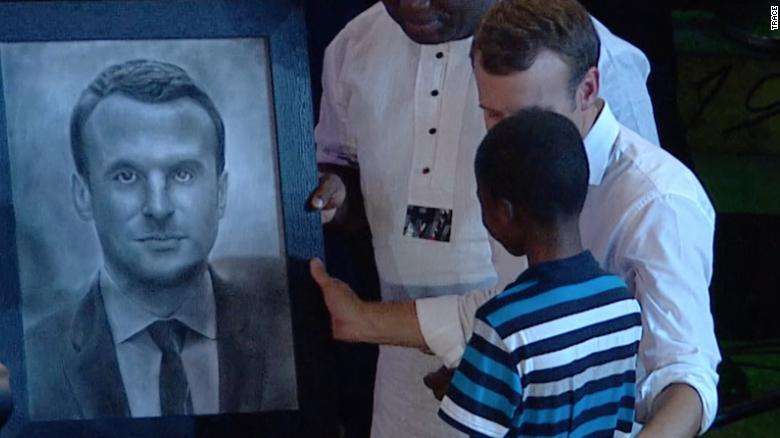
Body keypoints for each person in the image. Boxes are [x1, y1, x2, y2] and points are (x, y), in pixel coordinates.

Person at [310, 1, 720, 437]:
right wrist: (484, 364)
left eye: (526, 116)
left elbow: (685, 378)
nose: (506, 140)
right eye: (491, 114)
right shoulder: (521, 168)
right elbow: (509, 299)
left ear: (588, 90)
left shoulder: (658, 202)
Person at [24, 59, 296, 421]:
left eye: (182, 174)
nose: (158, 207)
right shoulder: (32, 361)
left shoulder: (291, 337)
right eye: (126, 176)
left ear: (221, 193)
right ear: (83, 195)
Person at [441, 109, 642, 436]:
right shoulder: (622, 304)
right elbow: (616, 420)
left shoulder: (503, 324)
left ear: (504, 212)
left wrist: (465, 388)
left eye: (483, 202)